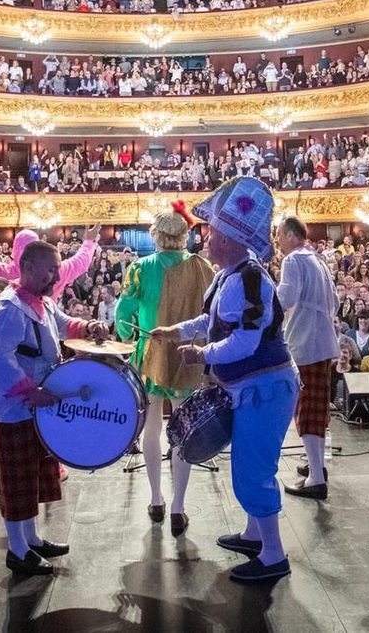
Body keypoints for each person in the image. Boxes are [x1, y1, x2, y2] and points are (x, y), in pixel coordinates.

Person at [152, 176, 300, 583]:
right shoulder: (229, 275)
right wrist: (176, 331)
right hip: (251, 388)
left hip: (265, 388)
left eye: (213, 232)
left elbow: (246, 342)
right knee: (248, 463)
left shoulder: (249, 278)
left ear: (231, 240)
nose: (206, 237)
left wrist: (202, 353)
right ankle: (255, 535)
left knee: (253, 469)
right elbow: (211, 321)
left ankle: (273, 554)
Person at [0, 239, 106, 577]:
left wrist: (87, 326)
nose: (56, 276)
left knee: (31, 475)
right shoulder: (9, 308)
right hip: (14, 408)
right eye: (51, 270)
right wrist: (30, 390)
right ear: (27, 269)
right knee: (16, 479)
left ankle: (31, 539)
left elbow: (63, 322)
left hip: (34, 406)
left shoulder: (40, 301)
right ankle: (17, 550)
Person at [114, 202, 211, 534]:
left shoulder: (141, 268)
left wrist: (127, 334)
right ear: (185, 236)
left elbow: (124, 314)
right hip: (189, 354)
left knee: (151, 425)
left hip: (151, 354)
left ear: (155, 235)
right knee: (184, 427)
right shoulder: (202, 267)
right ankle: (178, 507)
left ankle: (156, 499)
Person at [276, 215, 341, 500]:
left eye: (278, 235)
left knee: (307, 409)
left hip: (306, 341)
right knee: (317, 407)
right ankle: (317, 466)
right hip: (323, 339)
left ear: (291, 235)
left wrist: (264, 297)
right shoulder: (319, 260)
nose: (277, 241)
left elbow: (286, 298)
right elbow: (336, 303)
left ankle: (316, 478)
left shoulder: (293, 261)